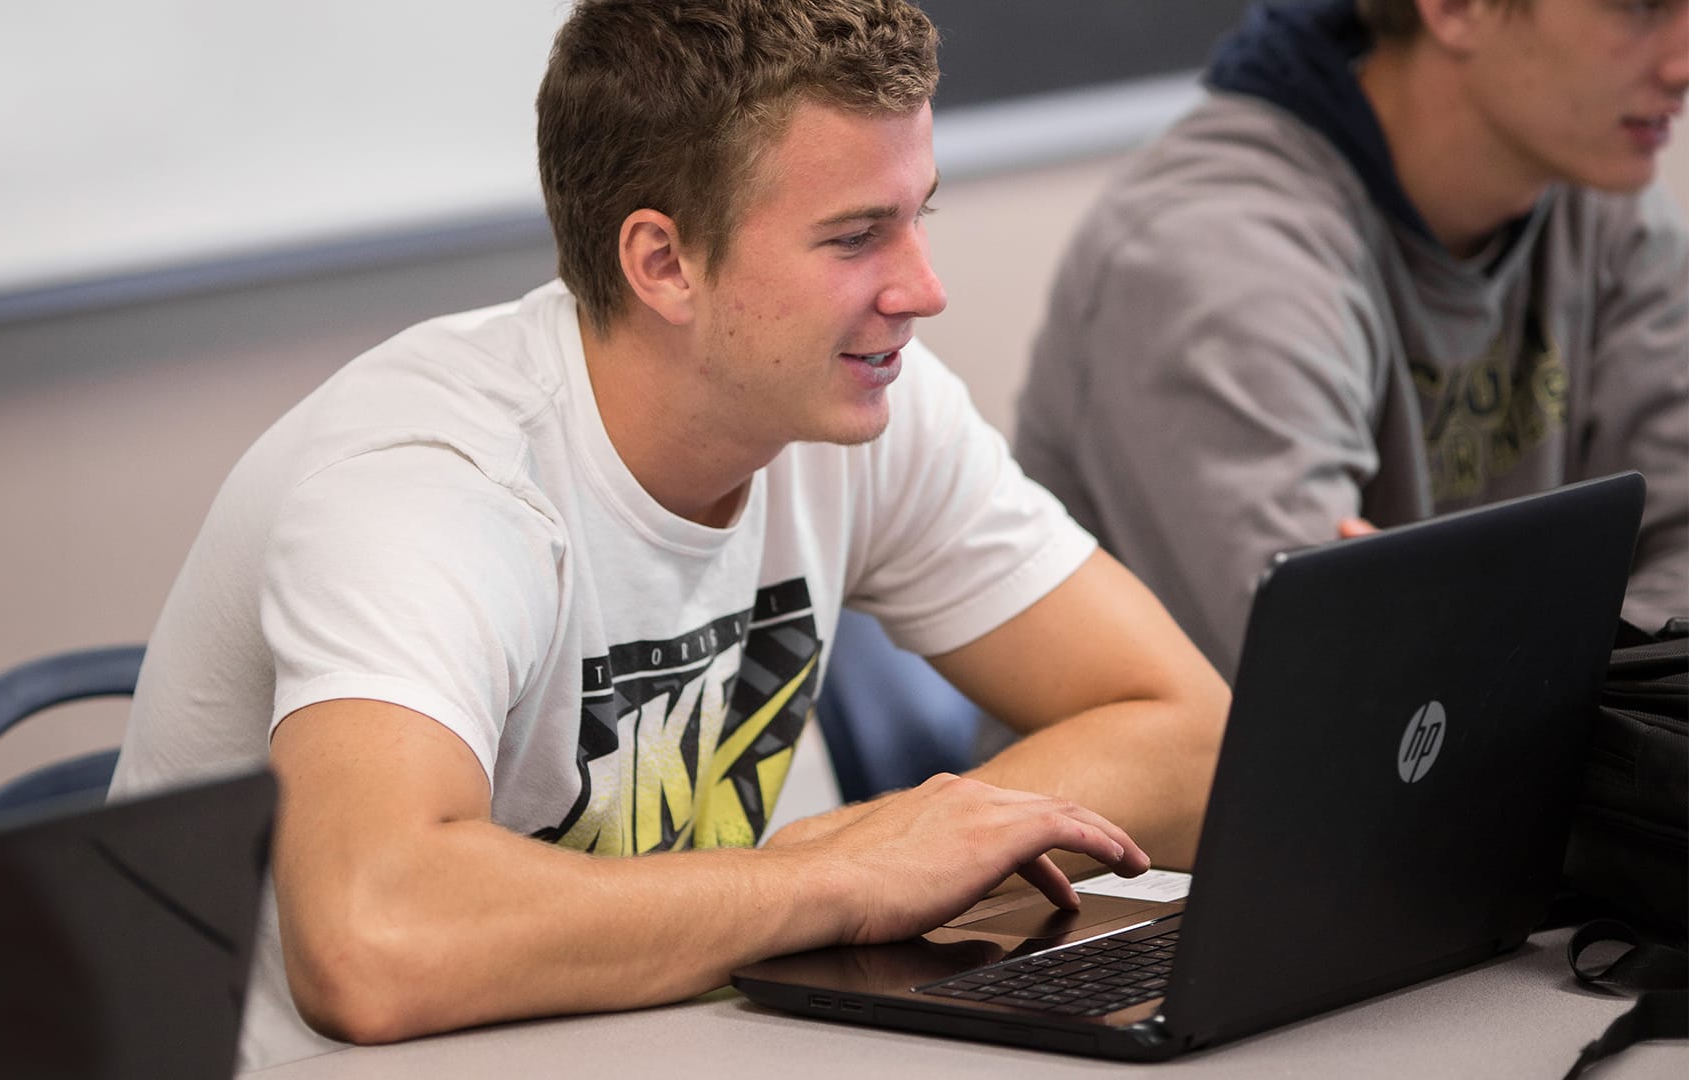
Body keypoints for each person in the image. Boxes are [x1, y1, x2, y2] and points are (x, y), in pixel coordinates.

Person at [109, 0, 1229, 1069]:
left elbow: (1192, 736)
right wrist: (840, 878)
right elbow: (372, 943)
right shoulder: (429, 480)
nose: (923, 290)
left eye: (917, 216)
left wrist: (888, 846)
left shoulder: (858, 405)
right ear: (662, 263)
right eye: (856, 237)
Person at [1014, 0, 1689, 678]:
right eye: (1640, 5)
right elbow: (1341, 682)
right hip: (1209, 747)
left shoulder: (1602, 200)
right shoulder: (1213, 252)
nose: (1682, 63)